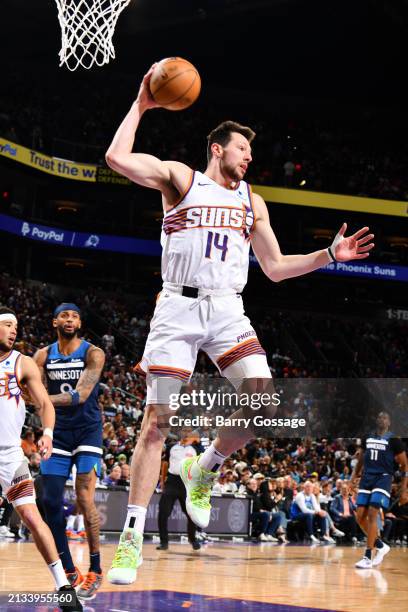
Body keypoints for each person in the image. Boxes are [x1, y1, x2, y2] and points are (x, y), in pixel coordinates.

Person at [104, 63, 375, 584]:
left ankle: (202, 469)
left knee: (263, 404)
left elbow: (273, 269)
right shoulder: (181, 178)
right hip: (178, 309)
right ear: (217, 149)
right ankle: (130, 543)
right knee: (157, 423)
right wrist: (142, 103)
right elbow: (116, 158)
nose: (249, 156)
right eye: (241, 148)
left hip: (228, 308)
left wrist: (329, 255)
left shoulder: (253, 201)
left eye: (250, 151)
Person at [0, 307, 81, 611]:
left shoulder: (21, 363)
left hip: (9, 456)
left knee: (33, 518)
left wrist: (47, 433)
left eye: (16, 325)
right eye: (7, 324)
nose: (13, 329)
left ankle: (63, 586)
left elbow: (45, 403)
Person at [33, 303, 105, 600]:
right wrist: (39, 401)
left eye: (75, 316)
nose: (70, 319)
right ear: (55, 322)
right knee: (48, 500)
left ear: (80, 322)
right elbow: (30, 390)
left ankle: (96, 568)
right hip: (57, 432)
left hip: (88, 429)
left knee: (85, 498)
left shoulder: (93, 353)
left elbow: (81, 395)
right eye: (65, 315)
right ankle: (68, 569)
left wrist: (42, 399)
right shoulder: (42, 355)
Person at [351, 411, 407, 568]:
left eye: (385, 417)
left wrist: (403, 487)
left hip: (383, 478)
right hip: (366, 478)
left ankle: (368, 556)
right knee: (359, 516)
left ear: (389, 422)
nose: (381, 419)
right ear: (376, 420)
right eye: (379, 417)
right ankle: (381, 546)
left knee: (372, 514)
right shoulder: (367, 437)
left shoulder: (394, 440)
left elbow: (404, 465)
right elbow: (360, 460)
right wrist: (352, 479)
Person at [156, 428, 201, 551]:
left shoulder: (196, 449)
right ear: (180, 433)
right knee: (163, 512)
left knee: (192, 514)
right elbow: (165, 464)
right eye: (184, 430)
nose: (186, 433)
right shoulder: (171, 447)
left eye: (189, 431)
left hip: (187, 484)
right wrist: (162, 480)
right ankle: (164, 542)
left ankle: (193, 539)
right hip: (171, 482)